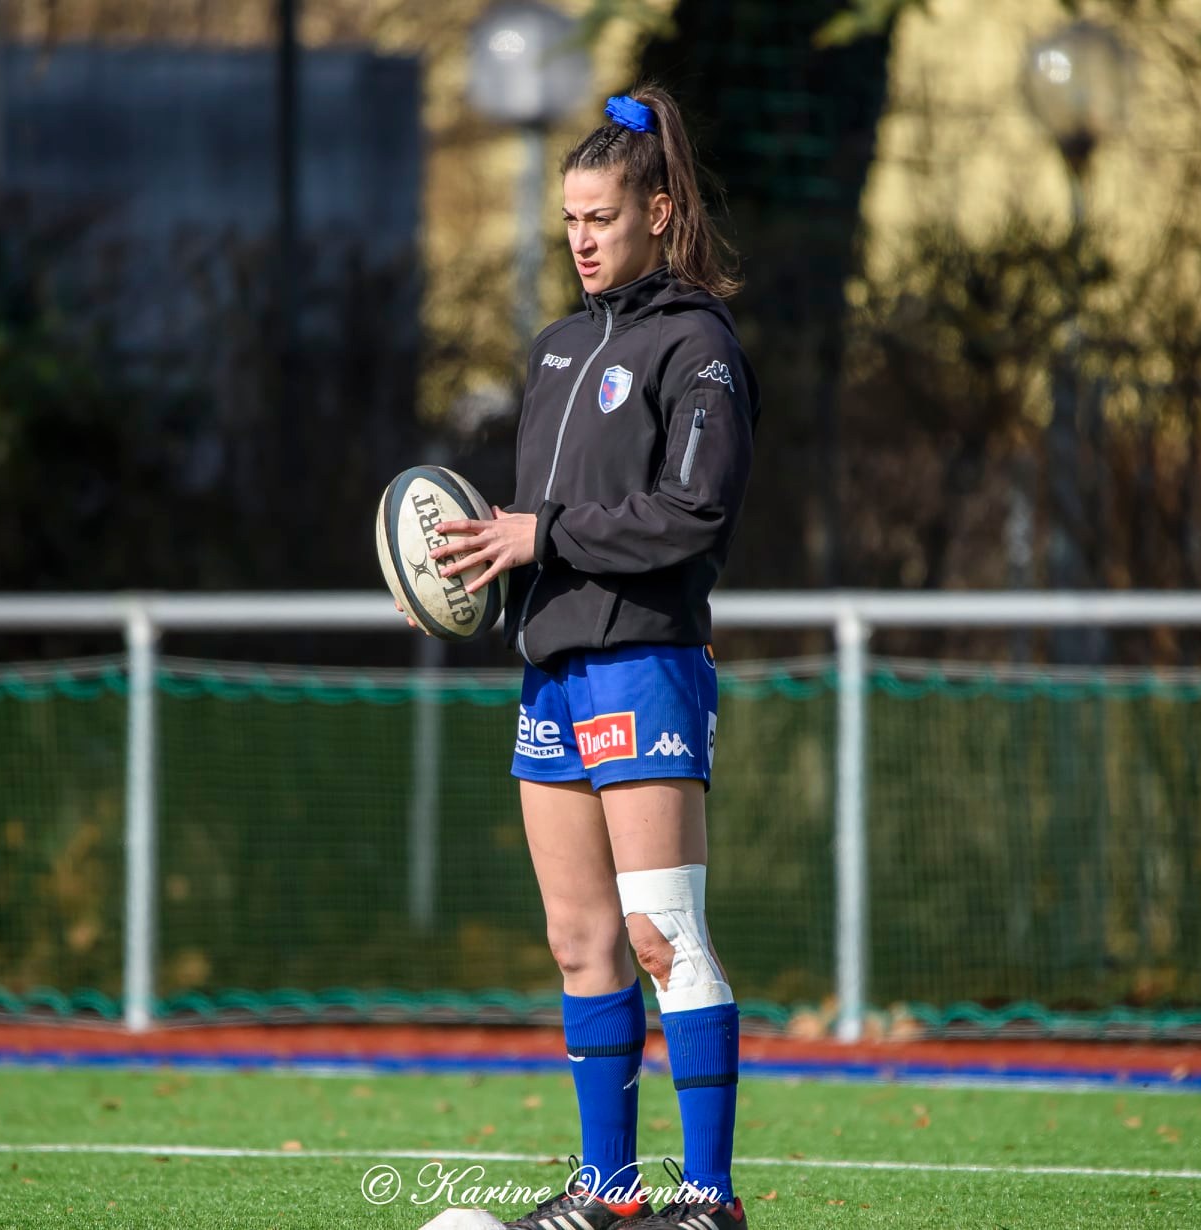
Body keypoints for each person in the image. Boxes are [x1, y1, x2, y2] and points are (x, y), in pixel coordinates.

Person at [422, 83, 760, 1230]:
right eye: (568, 220)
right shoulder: (558, 350)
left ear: (658, 213)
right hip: (551, 675)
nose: (579, 239)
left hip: (644, 665)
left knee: (665, 936)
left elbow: (692, 514)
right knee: (579, 943)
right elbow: (539, 532)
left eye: (600, 218)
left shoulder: (697, 345)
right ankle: (608, 1197)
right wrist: (465, 577)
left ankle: (708, 1199)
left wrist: (543, 534)